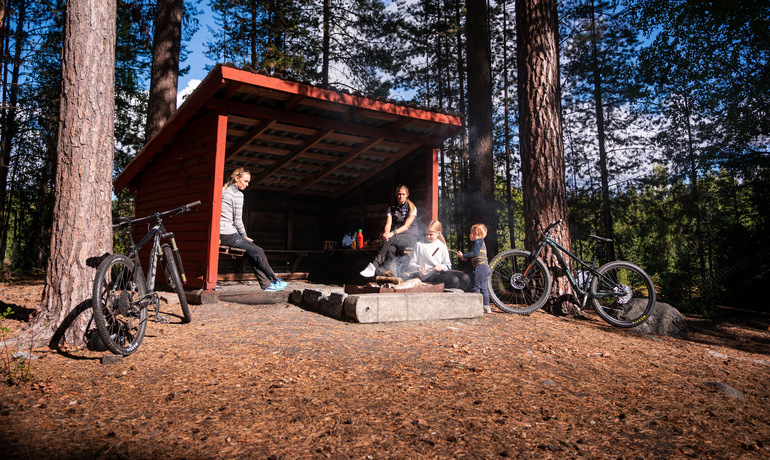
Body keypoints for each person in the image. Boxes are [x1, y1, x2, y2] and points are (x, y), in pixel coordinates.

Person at [220, 168, 286, 292]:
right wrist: (244, 236)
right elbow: (238, 220)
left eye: (248, 182)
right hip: (227, 233)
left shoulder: (225, 191)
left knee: (251, 251)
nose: (247, 184)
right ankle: (274, 280)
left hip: (222, 233)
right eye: (245, 181)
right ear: (236, 179)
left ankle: (267, 285)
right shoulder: (237, 194)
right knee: (258, 250)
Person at [360, 185, 418, 278]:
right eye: (399, 194)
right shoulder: (392, 208)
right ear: (396, 194)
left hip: (410, 236)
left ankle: (373, 266)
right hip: (397, 237)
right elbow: (388, 224)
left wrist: (392, 234)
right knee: (391, 249)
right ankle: (393, 275)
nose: (401, 196)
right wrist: (386, 233)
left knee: (390, 240)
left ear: (407, 195)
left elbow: (406, 227)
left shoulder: (412, 208)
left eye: (403, 194)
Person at [407, 220, 470, 290]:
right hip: (427, 275)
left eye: (431, 234)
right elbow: (411, 264)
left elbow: (448, 265)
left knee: (465, 278)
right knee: (454, 280)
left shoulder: (442, 246)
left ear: (438, 233)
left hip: (440, 272)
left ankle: (458, 296)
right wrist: (418, 268)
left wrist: (441, 267)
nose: (428, 236)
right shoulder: (419, 245)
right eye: (426, 234)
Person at [457, 223, 491, 313]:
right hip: (486, 268)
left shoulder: (478, 241)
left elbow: (475, 253)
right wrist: (466, 258)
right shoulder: (481, 242)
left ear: (476, 234)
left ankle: (476, 306)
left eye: (471, 233)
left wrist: (464, 255)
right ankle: (486, 306)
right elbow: (476, 256)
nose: (469, 235)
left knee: (476, 287)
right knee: (483, 287)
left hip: (480, 268)